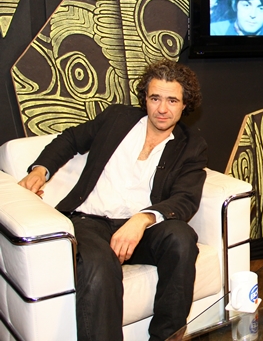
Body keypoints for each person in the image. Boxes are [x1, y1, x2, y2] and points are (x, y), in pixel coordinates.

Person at [18, 59, 207, 341]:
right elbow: (71, 139)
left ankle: (167, 338)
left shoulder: (192, 146)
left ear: (184, 104)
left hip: (140, 229)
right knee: (99, 263)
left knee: (182, 239)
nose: (162, 109)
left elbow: (186, 198)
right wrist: (40, 170)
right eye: (155, 98)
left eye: (172, 100)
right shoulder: (118, 118)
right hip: (89, 221)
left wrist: (141, 219)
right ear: (145, 98)